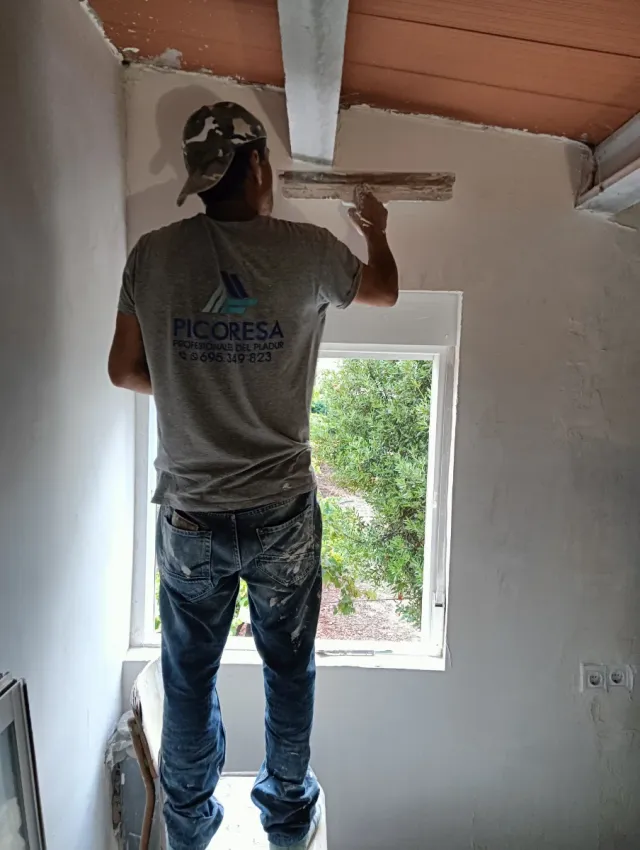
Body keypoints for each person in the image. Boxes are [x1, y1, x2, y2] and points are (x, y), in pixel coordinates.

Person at [108, 101, 398, 850]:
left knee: (188, 677)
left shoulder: (152, 254)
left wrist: (192, 386)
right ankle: (288, 821)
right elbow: (384, 291)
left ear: (201, 178)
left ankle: (188, 829)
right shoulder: (306, 251)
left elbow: (123, 369)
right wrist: (376, 229)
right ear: (259, 166)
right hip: (280, 514)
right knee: (288, 670)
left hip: (191, 514)